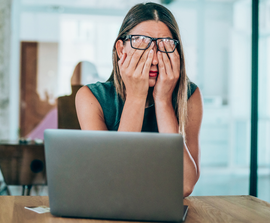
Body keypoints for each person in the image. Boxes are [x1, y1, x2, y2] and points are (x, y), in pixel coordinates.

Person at [75, 2, 203, 197]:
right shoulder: (91, 97)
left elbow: (184, 185)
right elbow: (112, 181)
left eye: (165, 45)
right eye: (141, 42)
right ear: (120, 49)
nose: (153, 59)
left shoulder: (190, 96)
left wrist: (163, 101)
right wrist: (136, 96)